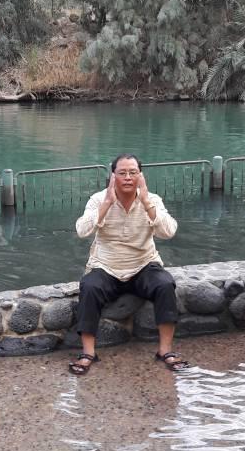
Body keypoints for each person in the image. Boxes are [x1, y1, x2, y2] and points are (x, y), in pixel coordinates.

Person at [70, 154, 187, 374]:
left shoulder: (152, 199)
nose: (127, 177)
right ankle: (88, 353)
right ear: (113, 176)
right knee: (89, 286)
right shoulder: (98, 199)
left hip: (143, 263)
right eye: (122, 173)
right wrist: (106, 204)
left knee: (165, 284)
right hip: (106, 265)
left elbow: (169, 231)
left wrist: (146, 202)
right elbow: (81, 230)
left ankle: (165, 350)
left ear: (140, 176)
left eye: (133, 173)